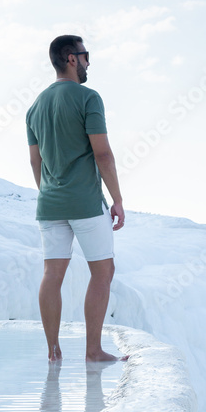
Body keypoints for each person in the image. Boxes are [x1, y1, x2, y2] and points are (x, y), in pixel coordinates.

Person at [26, 35, 127, 363]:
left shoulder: (35, 107)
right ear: (71, 58)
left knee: (52, 273)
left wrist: (49, 193)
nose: (88, 62)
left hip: (49, 203)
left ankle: (53, 350)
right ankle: (93, 350)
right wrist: (118, 199)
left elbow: (34, 161)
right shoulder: (88, 98)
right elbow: (103, 154)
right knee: (103, 270)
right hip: (84, 201)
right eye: (85, 55)